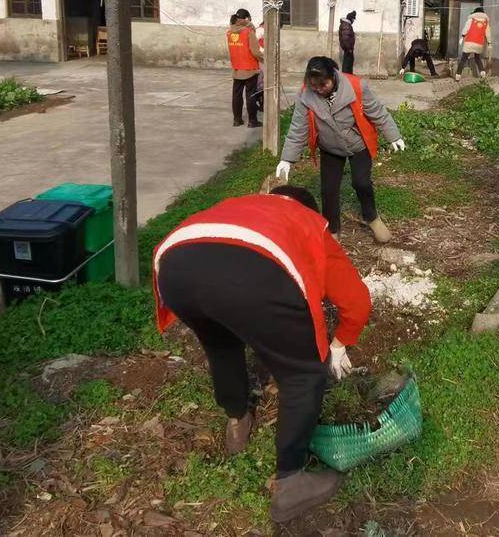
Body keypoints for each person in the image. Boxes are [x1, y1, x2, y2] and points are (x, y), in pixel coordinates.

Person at [154, 186, 371, 522]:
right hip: (253, 273)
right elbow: (356, 301)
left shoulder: (238, 202)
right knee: (303, 373)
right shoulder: (308, 222)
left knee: (221, 343)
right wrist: (339, 343)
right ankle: (291, 482)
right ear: (311, 211)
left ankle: (237, 421)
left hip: (174, 265)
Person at [277, 56, 405, 243]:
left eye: (323, 85)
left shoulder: (356, 87)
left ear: (334, 77)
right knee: (329, 190)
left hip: (358, 144)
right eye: (315, 86)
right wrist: (287, 159)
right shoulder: (306, 95)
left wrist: (394, 136)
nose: (319, 89)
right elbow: (298, 128)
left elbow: (378, 112)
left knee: (361, 183)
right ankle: (333, 230)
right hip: (330, 147)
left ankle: (372, 217)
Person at [227, 9, 263, 128]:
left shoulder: (230, 32)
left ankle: (237, 120)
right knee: (250, 95)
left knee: (236, 95)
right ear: (247, 19)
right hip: (250, 68)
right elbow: (255, 51)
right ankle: (252, 121)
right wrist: (264, 59)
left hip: (237, 68)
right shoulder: (248, 32)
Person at [456, 6, 490, 81]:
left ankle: (458, 75)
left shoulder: (471, 19)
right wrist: (489, 42)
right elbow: (488, 33)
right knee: (477, 58)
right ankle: (482, 72)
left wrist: (463, 35)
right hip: (479, 43)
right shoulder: (486, 21)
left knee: (463, 59)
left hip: (469, 42)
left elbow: (466, 28)